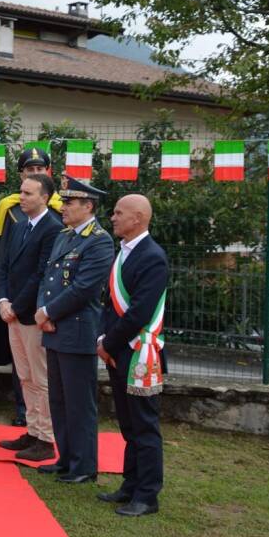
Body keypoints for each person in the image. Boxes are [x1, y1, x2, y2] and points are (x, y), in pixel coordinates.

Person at [0, 146, 63, 426]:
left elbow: (46, 270)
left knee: (41, 369)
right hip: (12, 300)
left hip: (40, 304)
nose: (35, 173)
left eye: (40, 169)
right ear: (22, 174)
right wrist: (2, 300)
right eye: (29, 169)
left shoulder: (62, 211)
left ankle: (45, 421)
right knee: (22, 366)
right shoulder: (9, 209)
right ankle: (25, 412)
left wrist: (20, 304)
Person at [33, 175, 114, 484]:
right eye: (63, 202)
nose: (63, 207)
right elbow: (48, 278)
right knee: (59, 399)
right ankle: (65, 458)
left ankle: (83, 466)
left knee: (79, 402)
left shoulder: (99, 240)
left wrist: (48, 311)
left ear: (88, 206)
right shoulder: (65, 236)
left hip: (77, 331)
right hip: (54, 328)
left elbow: (84, 289)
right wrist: (44, 311)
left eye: (69, 203)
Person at [97, 194, 168, 517]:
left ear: (138, 218)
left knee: (144, 426)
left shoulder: (152, 256)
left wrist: (109, 343)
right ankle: (130, 484)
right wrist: (103, 338)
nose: (112, 217)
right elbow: (109, 302)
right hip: (118, 349)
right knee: (127, 424)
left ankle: (147, 495)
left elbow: (138, 312)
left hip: (139, 353)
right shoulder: (124, 252)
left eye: (118, 213)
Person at [0, 173, 62, 462]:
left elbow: (41, 274)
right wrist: (3, 300)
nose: (21, 197)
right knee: (24, 377)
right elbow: (3, 266)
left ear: (44, 197)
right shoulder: (19, 226)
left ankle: (46, 438)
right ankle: (32, 431)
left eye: (28, 194)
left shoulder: (53, 228)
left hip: (32, 316)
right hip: (13, 313)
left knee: (40, 377)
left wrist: (17, 307)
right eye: (21, 192)